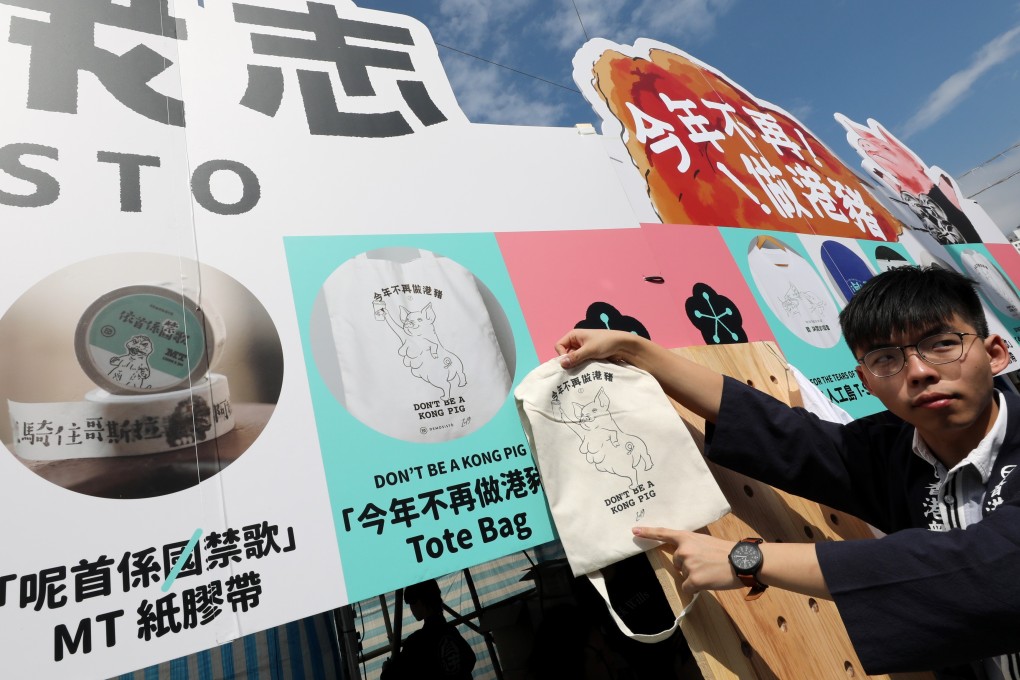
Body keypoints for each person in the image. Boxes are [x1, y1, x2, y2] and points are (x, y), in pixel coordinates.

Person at [554, 266, 1020, 680]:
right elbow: (786, 436)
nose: (917, 371)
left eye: (942, 344)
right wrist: (636, 350)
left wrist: (750, 560)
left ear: (996, 353)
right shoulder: (892, 449)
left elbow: (992, 567)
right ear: (866, 381)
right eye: (886, 359)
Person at [381, 579, 476, 680]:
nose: (411, 609)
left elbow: (390, 677)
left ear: (420, 601)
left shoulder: (416, 642)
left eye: (412, 604)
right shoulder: (451, 631)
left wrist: (386, 669)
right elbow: (470, 659)